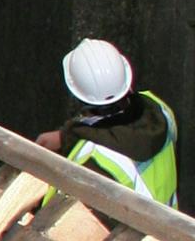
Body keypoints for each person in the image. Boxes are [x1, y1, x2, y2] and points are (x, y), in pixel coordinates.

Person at [35, 38, 178, 205]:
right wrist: (68, 135)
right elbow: (120, 130)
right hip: (162, 225)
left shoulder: (94, 164)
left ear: (76, 92)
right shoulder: (160, 110)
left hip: (126, 229)